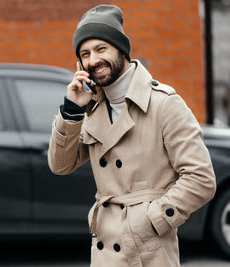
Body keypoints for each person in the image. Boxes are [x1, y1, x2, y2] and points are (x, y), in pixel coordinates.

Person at [48, 4, 216, 267]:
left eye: (101, 49)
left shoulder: (163, 103)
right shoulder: (91, 107)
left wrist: (152, 220)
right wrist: (72, 111)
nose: (93, 61)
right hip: (103, 250)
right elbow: (60, 166)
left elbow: (201, 179)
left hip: (148, 252)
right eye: (85, 54)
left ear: (121, 49)